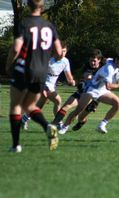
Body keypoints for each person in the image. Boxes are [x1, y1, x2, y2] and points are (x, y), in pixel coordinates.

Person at [5, 0, 62, 152]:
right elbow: (59, 52)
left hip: (24, 69)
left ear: (28, 5)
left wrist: (8, 64)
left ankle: (16, 145)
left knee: (16, 106)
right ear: (42, 7)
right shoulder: (49, 26)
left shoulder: (24, 23)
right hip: (41, 72)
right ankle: (48, 126)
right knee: (29, 106)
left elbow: (16, 48)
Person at [58, 51, 119, 135]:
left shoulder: (111, 61)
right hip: (92, 89)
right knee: (78, 110)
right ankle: (64, 127)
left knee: (118, 104)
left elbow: (106, 60)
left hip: (102, 90)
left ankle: (102, 125)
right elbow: (109, 86)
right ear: (116, 60)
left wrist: (117, 74)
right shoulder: (109, 69)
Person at [21, 42, 76, 130]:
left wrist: (71, 81)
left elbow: (68, 76)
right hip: (42, 82)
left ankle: (24, 118)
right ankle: (58, 122)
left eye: (64, 51)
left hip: (51, 85)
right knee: (58, 100)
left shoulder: (65, 61)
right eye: (60, 51)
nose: (62, 54)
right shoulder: (48, 59)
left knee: (41, 104)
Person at [51, 48, 104, 127]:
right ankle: (54, 125)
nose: (92, 63)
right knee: (66, 106)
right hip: (82, 92)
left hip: (94, 97)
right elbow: (86, 76)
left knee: (80, 117)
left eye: (94, 61)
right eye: (91, 60)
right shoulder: (86, 66)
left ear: (99, 60)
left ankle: (82, 121)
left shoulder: (104, 68)